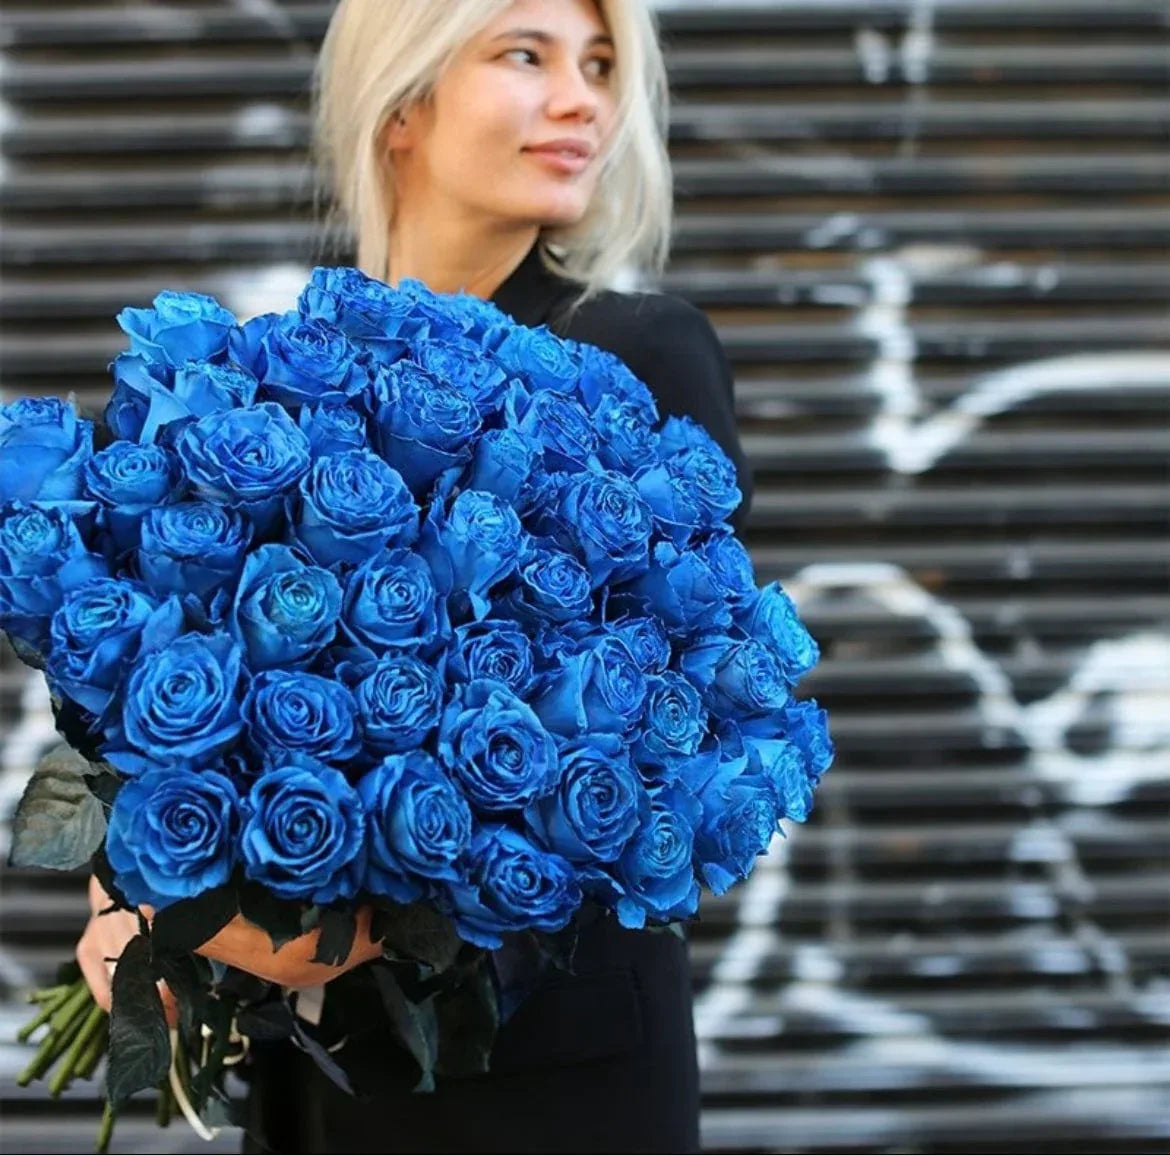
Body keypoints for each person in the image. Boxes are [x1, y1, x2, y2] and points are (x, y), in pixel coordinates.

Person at [75, 1, 754, 1151]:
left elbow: (662, 741)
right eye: (526, 56)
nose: (585, 98)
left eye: (599, 65)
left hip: (549, 1086)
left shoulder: (637, 354)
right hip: (316, 1087)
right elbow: (183, 693)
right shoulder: (278, 388)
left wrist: (312, 915)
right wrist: (128, 878)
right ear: (405, 104)